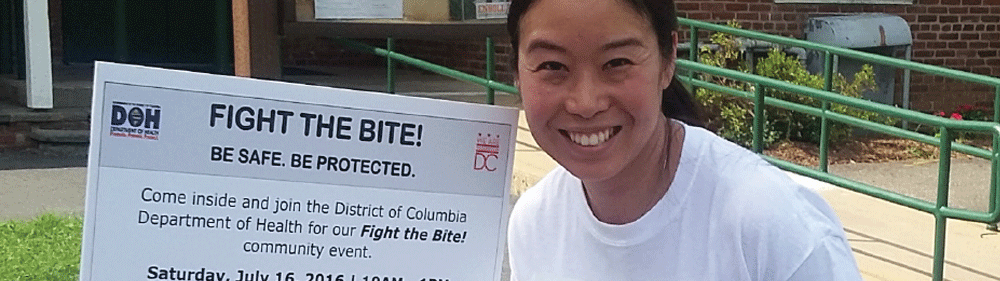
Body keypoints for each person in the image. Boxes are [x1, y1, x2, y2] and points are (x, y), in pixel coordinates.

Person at [505, 0, 863, 280]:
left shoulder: (775, 228)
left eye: (617, 62)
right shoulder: (534, 223)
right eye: (552, 66)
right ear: (518, 72)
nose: (586, 103)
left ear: (668, 58)